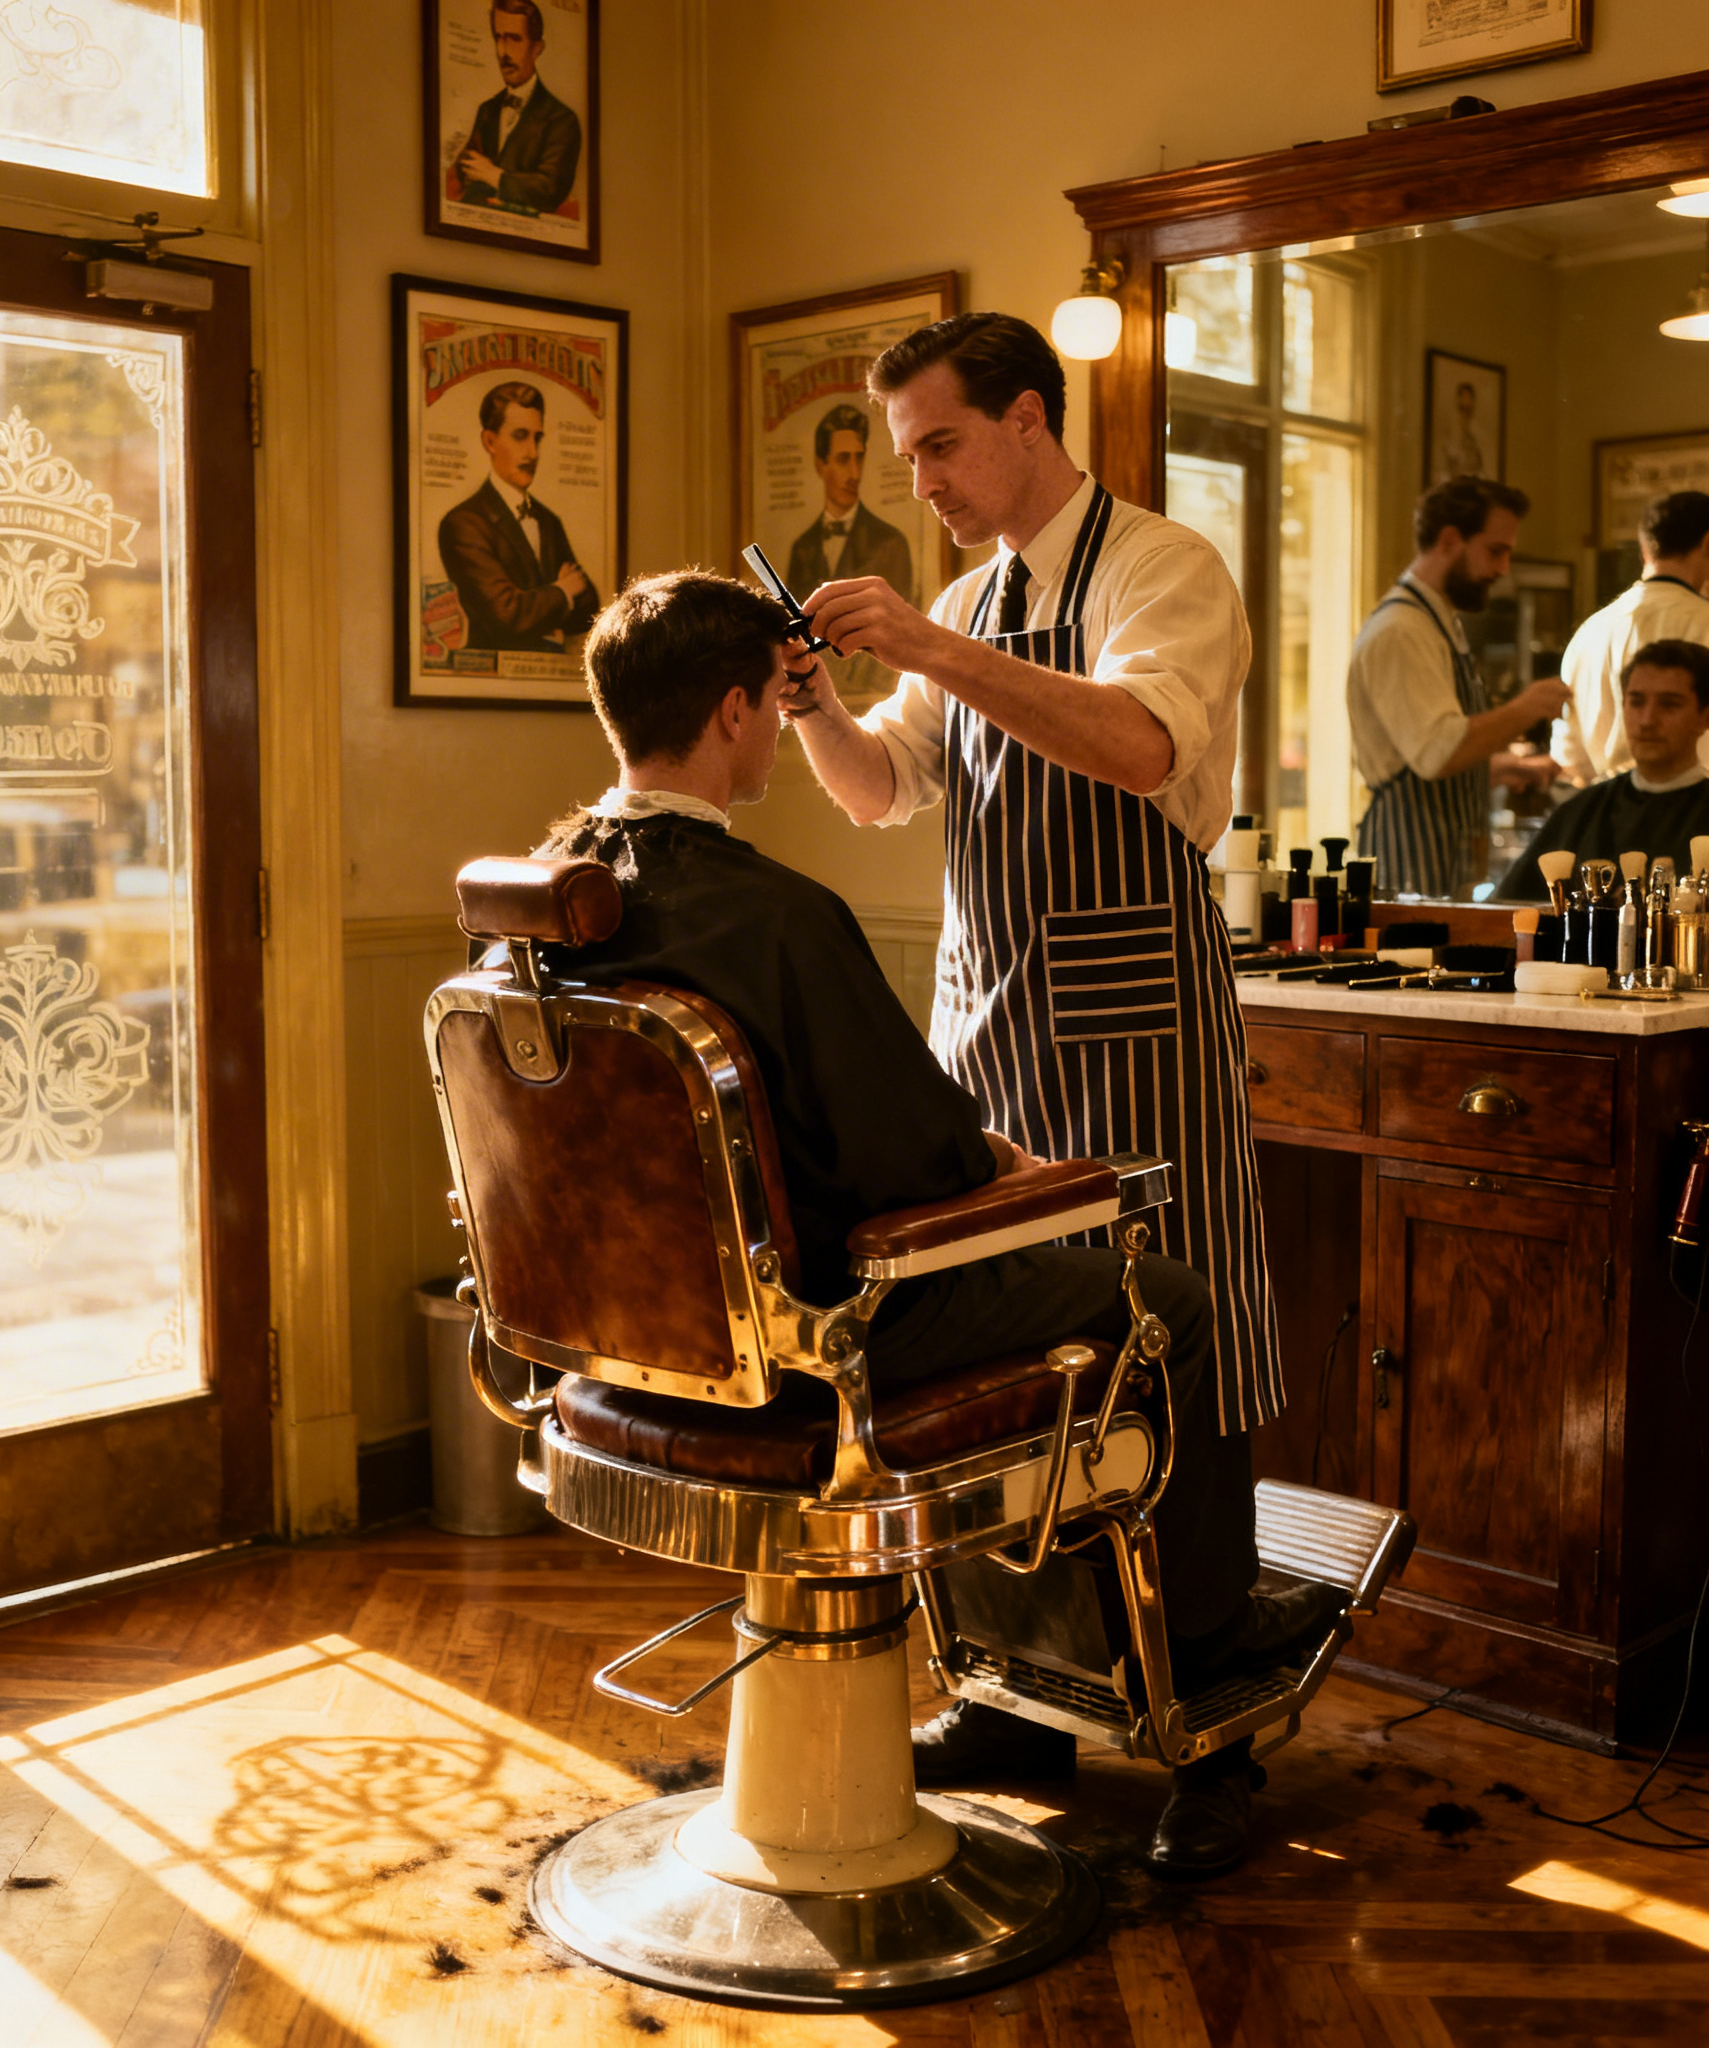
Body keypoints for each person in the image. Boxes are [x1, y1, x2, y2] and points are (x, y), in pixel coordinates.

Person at [537, 568, 1341, 1875]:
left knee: (1042, 1272)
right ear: (743, 712)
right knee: (1167, 1306)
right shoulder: (779, 919)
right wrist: (1018, 1170)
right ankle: (1205, 1670)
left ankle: (1015, 1681)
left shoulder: (551, 906)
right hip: (826, 1348)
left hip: (639, 1350)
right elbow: (915, 1164)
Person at [771, 316, 1283, 1757]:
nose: (919, 480)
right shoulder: (980, 601)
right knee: (1016, 1382)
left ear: (1028, 422)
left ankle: (1212, 1721)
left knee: (1172, 1355)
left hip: (1137, 1040)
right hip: (991, 1036)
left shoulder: (1160, 569)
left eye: (938, 443)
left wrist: (931, 639)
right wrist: (820, 707)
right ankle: (1021, 1691)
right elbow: (881, 789)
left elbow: (1137, 743)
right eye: (905, 453)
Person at [1347, 476, 1569, 898]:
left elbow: (1420, 758)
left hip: (1444, 862)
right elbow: (1438, 752)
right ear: (1450, 540)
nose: (1503, 569)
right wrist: (1527, 707)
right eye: (1495, 551)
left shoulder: (1437, 623)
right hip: (1408, 865)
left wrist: (1508, 768)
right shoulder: (1402, 631)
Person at [1498, 642, 1709, 900]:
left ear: (1704, 717)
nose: (1647, 720)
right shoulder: (1580, 813)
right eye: (1636, 702)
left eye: (1669, 704)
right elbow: (1507, 912)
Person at [1553, 491, 1709, 785]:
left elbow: (1570, 757)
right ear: (1707, 543)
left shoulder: (1589, 633)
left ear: (1644, 549)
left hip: (1611, 815)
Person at [437, 380, 598, 654]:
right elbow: (507, 617)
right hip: (489, 684)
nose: (532, 453)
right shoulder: (463, 523)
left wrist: (540, 605)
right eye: (520, 436)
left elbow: (589, 607)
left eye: (537, 438)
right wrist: (561, 591)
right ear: (490, 441)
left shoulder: (548, 520)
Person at [453, 0, 582, 217]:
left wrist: (494, 175)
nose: (503, 52)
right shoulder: (488, 110)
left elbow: (549, 190)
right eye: (498, 38)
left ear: (537, 48)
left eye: (514, 39)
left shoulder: (563, 120)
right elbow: (465, 170)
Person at [785, 405, 915, 604]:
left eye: (859, 457)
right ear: (821, 465)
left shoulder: (891, 544)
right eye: (843, 459)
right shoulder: (802, 548)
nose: (855, 474)